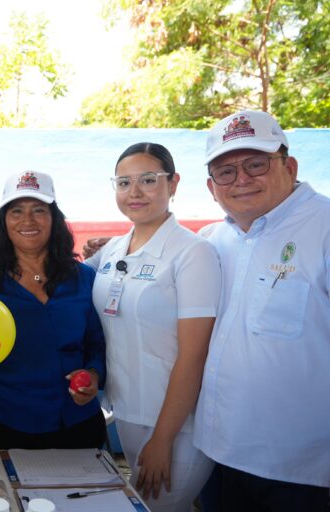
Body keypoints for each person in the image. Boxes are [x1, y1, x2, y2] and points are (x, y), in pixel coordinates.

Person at [193, 110, 330, 511]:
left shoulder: (324, 228)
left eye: (256, 164)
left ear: (289, 166)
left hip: (301, 469)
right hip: (216, 453)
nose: (241, 179)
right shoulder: (209, 241)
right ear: (211, 187)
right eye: (226, 171)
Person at [87, 143, 220, 511]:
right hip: (126, 411)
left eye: (148, 180)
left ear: (173, 184)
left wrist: (163, 438)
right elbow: (57, 275)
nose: (135, 192)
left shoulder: (193, 253)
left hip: (177, 424)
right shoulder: (113, 250)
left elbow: (194, 355)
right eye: (124, 182)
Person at [0, 170, 107, 449]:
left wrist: (93, 375)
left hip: (74, 423)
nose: (28, 220)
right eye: (16, 211)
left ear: (54, 218)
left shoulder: (84, 278)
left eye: (39, 210)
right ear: (4, 221)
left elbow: (98, 344)